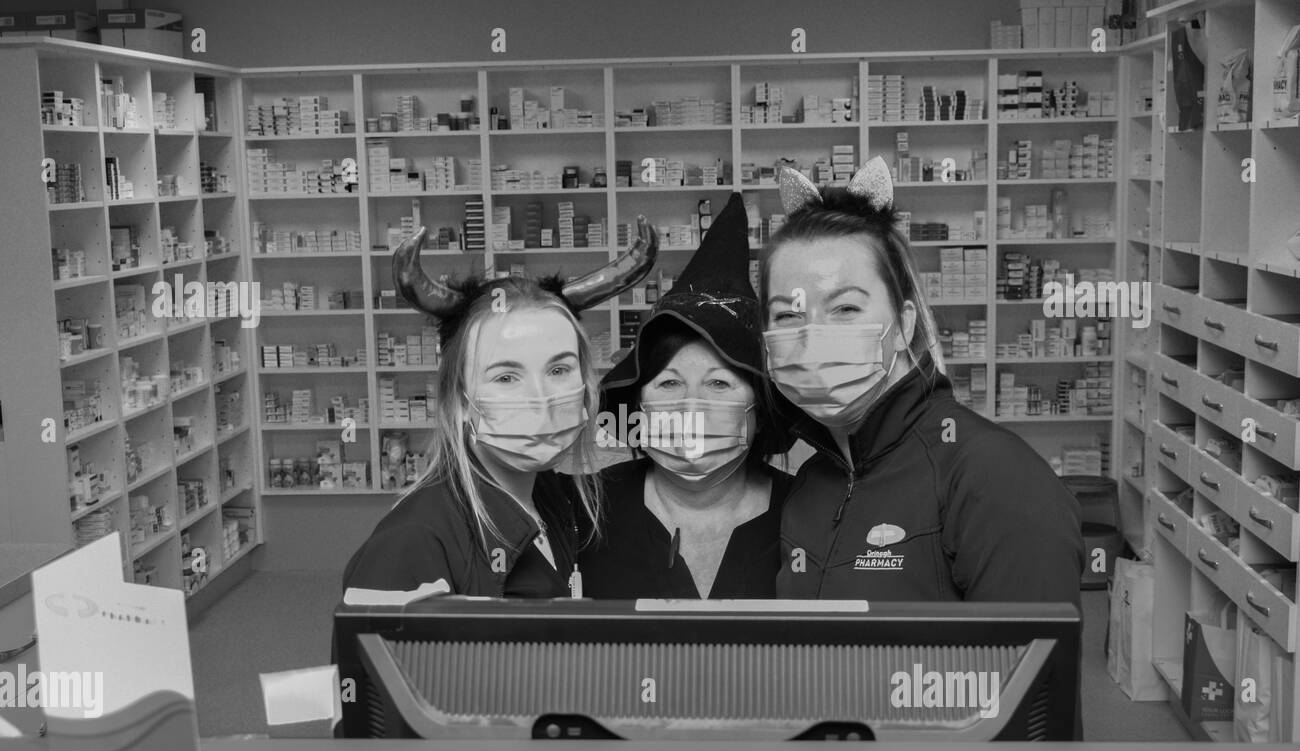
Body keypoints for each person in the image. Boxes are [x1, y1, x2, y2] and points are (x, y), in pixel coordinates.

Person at [762, 160, 1085, 605]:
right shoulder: (811, 483)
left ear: (903, 324)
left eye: (846, 309)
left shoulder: (996, 480)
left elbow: (1033, 672)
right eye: (787, 315)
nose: (812, 334)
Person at [341, 218, 658, 599]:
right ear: (458, 402)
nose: (541, 398)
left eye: (558, 369)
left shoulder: (555, 500)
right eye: (506, 377)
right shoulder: (410, 546)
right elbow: (377, 659)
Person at [580, 194, 793, 599]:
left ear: (760, 411)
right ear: (638, 407)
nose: (690, 407)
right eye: (669, 383)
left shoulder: (808, 514)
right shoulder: (584, 508)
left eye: (718, 383)